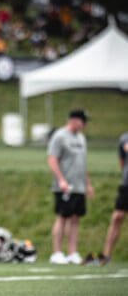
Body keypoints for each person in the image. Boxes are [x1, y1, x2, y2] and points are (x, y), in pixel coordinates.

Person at [48, 109, 94, 265]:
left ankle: (72, 252)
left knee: (75, 219)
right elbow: (52, 159)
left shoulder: (81, 137)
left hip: (79, 185)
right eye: (83, 121)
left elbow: (83, 163)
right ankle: (57, 252)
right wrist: (61, 180)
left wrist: (88, 184)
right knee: (62, 217)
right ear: (74, 120)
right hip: (65, 185)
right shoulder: (60, 136)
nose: (84, 124)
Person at [85, 132, 128, 265]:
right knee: (117, 217)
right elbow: (123, 160)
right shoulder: (124, 137)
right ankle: (107, 255)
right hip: (127, 184)